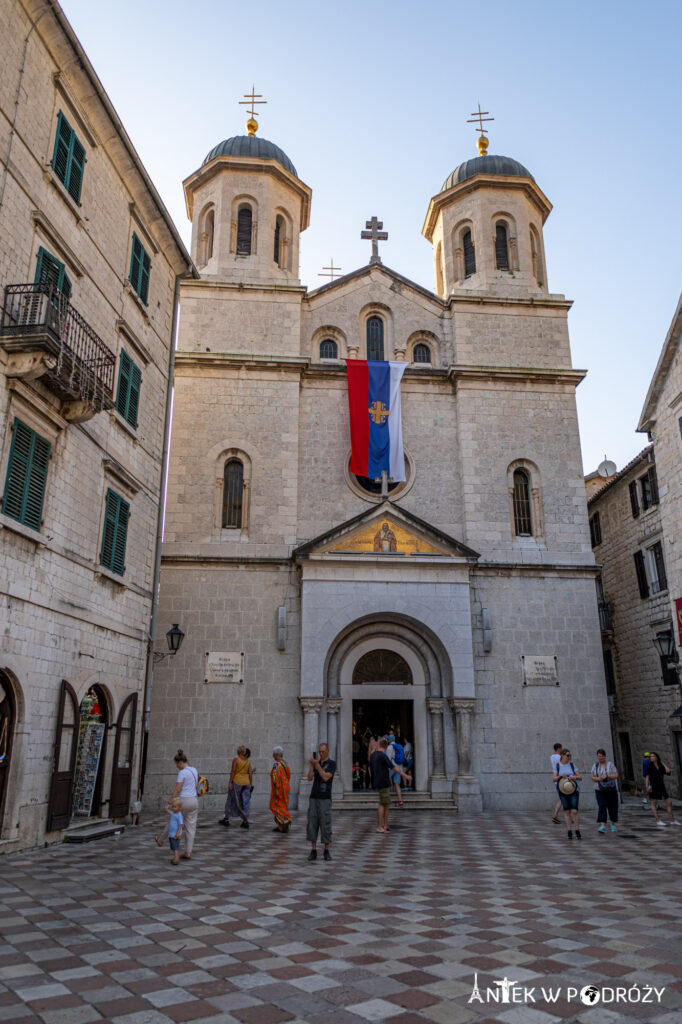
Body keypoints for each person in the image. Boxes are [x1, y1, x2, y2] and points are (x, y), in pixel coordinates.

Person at [306, 742, 336, 862]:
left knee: (325, 823)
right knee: (312, 823)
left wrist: (317, 765)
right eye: (319, 752)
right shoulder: (317, 763)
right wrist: (312, 766)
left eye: (323, 751)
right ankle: (313, 850)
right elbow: (309, 778)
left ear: (328, 751)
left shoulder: (331, 764)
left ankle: (326, 850)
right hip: (314, 796)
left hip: (325, 798)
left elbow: (326, 777)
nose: (321, 754)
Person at [169, 749, 199, 860]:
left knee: (174, 823)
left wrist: (170, 801)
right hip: (194, 801)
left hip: (184, 801)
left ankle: (163, 841)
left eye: (177, 764)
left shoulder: (182, 772)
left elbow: (178, 788)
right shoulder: (194, 770)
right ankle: (188, 852)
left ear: (180, 763)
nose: (177, 766)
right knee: (191, 829)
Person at [645, 751, 680, 827]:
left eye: (653, 756)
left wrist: (663, 763)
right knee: (654, 803)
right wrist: (647, 787)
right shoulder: (649, 766)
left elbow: (668, 771)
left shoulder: (660, 765)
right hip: (653, 787)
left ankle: (672, 820)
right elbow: (647, 777)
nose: (651, 758)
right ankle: (658, 820)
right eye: (650, 757)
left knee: (669, 802)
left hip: (661, 786)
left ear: (656, 757)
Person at [553, 748, 582, 840]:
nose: (569, 757)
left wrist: (574, 777)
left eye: (570, 755)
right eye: (567, 755)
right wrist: (560, 776)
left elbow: (580, 777)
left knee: (574, 811)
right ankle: (569, 830)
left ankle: (577, 830)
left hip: (573, 790)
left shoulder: (572, 765)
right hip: (563, 790)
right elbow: (554, 779)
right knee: (567, 811)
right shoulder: (558, 766)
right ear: (562, 755)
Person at [222, 745, 253, 829]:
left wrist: (230, 782)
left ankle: (226, 819)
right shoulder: (248, 762)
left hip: (237, 782)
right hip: (246, 783)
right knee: (245, 801)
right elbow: (250, 773)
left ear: (238, 751)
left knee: (232, 799)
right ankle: (245, 820)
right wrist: (250, 784)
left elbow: (233, 771)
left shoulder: (236, 760)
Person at [590, 748, 619, 833]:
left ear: (605, 756)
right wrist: (599, 778)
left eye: (602, 756)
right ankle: (602, 825)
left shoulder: (610, 764)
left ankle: (613, 824)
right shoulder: (595, 766)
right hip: (599, 789)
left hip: (611, 788)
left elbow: (616, 775)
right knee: (602, 805)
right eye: (599, 756)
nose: (600, 758)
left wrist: (608, 776)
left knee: (612, 806)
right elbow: (592, 777)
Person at [371, 738, 394, 833]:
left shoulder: (373, 755)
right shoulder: (382, 755)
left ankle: (385, 825)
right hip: (383, 782)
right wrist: (404, 775)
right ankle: (380, 827)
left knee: (385, 804)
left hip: (378, 781)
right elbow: (392, 767)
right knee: (383, 804)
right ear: (386, 746)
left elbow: (370, 769)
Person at [155, 797, 183, 865]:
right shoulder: (173, 813)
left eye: (175, 807)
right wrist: (168, 805)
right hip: (171, 834)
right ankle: (175, 857)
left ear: (179, 807)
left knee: (174, 847)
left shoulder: (179, 815)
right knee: (173, 846)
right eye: (173, 807)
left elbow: (180, 825)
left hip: (175, 834)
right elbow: (166, 810)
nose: (173, 808)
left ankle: (176, 858)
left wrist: (178, 833)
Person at [270, 746, 291, 832]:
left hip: (279, 789)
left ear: (276, 754)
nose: (273, 756)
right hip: (286, 788)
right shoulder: (285, 764)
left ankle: (285, 821)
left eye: (273, 754)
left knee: (274, 806)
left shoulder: (276, 765)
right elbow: (289, 776)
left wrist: (276, 790)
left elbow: (275, 778)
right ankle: (281, 827)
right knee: (283, 806)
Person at [386, 733, 411, 806]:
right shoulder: (400, 746)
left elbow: (388, 759)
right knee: (397, 784)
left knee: (385, 781)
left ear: (389, 740)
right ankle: (400, 801)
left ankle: (386, 800)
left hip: (392, 767)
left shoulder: (390, 747)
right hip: (399, 767)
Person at [550, 742, 563, 823]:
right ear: (559, 748)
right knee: (562, 798)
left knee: (562, 798)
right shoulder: (560, 757)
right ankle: (555, 815)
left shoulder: (551, 756)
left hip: (556, 778)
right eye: (561, 748)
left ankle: (569, 816)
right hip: (561, 779)